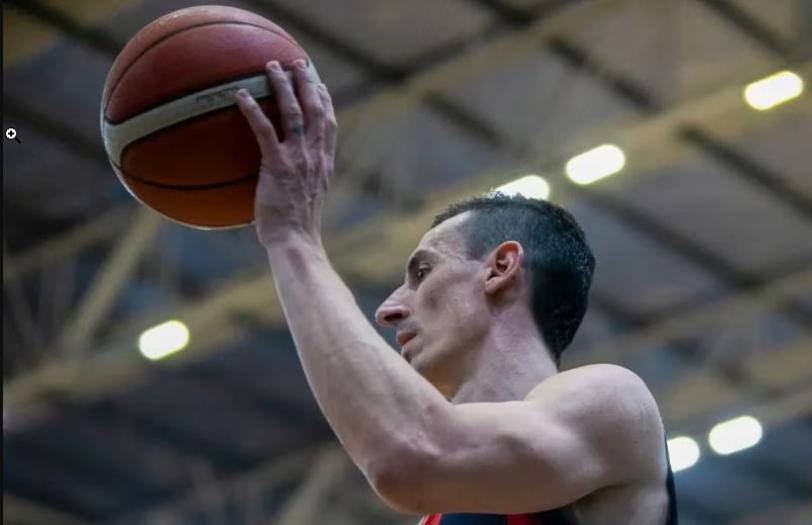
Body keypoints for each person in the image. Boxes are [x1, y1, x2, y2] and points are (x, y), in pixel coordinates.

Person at [235, 59, 677, 524]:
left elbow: (410, 456)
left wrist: (294, 239)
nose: (387, 310)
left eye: (423, 271)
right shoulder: (442, 506)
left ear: (500, 268)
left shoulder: (613, 402)